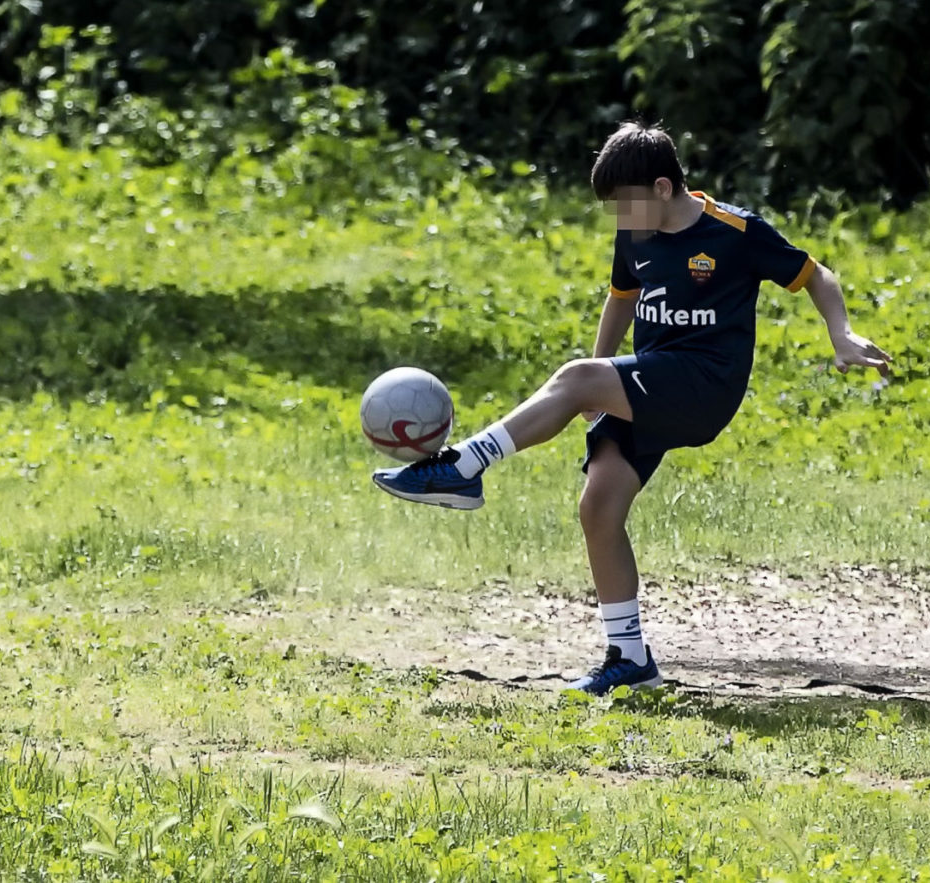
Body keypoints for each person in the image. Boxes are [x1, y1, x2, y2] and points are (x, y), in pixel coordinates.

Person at [372, 121, 889, 695]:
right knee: (598, 506)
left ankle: (462, 469)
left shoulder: (735, 232)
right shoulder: (635, 233)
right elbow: (621, 301)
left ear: (663, 188)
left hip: (704, 385)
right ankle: (630, 658)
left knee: (573, 380)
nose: (619, 216)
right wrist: (599, 384)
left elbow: (818, 276)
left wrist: (841, 334)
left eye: (625, 202)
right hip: (649, 383)